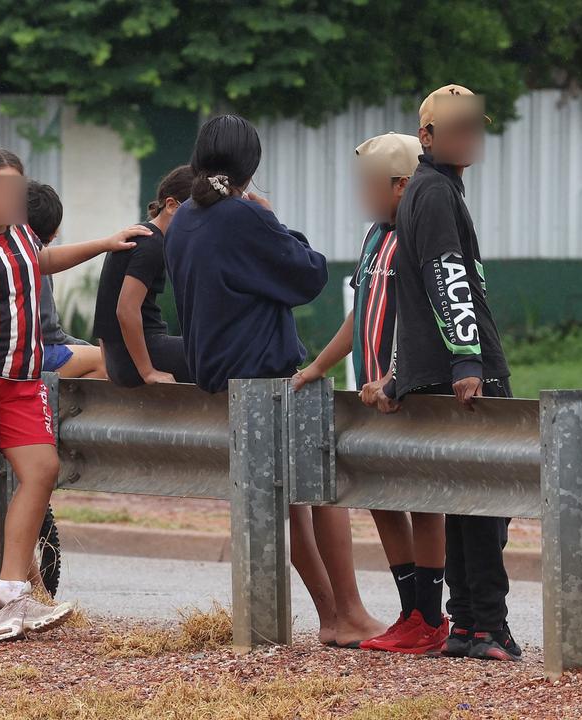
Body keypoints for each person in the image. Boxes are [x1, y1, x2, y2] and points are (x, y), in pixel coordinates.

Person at [165, 115, 385, 647]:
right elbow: (308, 275)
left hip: (221, 380)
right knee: (322, 494)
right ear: (251, 165)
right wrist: (274, 219)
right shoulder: (242, 216)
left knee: (292, 508)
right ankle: (349, 613)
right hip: (270, 377)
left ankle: (333, 617)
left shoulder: (186, 219)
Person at [0, 147, 148, 642]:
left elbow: (42, 260)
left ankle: (11, 588)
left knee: (42, 469)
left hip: (22, 383)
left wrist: (106, 243)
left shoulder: (22, 234)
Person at [363, 85, 520, 662]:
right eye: (453, 127)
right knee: (485, 500)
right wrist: (469, 361)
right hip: (466, 368)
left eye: (473, 125)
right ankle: (486, 627)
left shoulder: (432, 190)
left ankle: (468, 625)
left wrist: (407, 371)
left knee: (465, 501)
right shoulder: (432, 192)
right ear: (425, 136)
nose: (466, 136)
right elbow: (447, 275)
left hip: (439, 366)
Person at [292, 132, 448, 654]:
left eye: (370, 184)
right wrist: (318, 365)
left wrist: (399, 376)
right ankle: (409, 612)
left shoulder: (419, 235)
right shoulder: (374, 237)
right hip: (373, 393)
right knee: (379, 499)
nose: (362, 195)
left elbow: (431, 316)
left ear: (403, 185)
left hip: (413, 391)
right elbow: (362, 312)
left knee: (423, 503)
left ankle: (430, 615)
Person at [93, 165, 194, 387]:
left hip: (119, 360)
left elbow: (104, 307)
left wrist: (109, 366)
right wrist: (148, 372)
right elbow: (125, 310)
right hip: (138, 359)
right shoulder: (152, 245)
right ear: (171, 205)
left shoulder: (138, 234)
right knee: (218, 354)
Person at [25, 181, 108, 379]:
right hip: (31, 354)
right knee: (108, 363)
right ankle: (55, 409)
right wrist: (82, 346)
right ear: (52, 234)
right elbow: (48, 333)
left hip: (17, 352)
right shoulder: (35, 259)